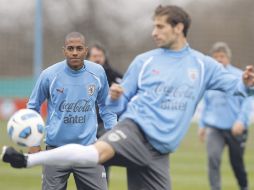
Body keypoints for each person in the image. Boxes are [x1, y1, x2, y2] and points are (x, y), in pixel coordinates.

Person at [2, 5, 254, 190]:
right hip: (135, 130)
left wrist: (246, 82)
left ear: (179, 28)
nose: (154, 32)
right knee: (93, 154)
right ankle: (26, 160)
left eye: (160, 26)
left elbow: (236, 87)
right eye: (154, 26)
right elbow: (119, 103)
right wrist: (115, 97)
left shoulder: (203, 65)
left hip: (160, 152)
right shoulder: (144, 61)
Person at [19, 32, 117, 190]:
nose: (75, 52)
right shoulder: (49, 75)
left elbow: (107, 107)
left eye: (79, 48)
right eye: (70, 48)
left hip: (88, 150)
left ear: (86, 51)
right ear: (64, 51)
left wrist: (114, 137)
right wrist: (33, 141)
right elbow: (33, 108)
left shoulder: (98, 72)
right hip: (55, 151)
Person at [198, 42, 252, 190]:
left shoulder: (240, 76)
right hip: (214, 128)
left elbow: (249, 99)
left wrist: (241, 121)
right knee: (213, 159)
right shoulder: (209, 79)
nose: (219, 60)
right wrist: (202, 125)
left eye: (222, 56)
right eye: (215, 57)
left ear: (228, 58)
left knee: (236, 163)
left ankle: (244, 187)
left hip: (236, 128)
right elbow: (206, 104)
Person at [86, 43, 122, 183]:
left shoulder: (114, 75)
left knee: (102, 161)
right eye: (94, 56)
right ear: (88, 58)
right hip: (85, 124)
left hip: (105, 125)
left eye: (100, 56)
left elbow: (126, 93)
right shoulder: (81, 75)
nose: (97, 59)